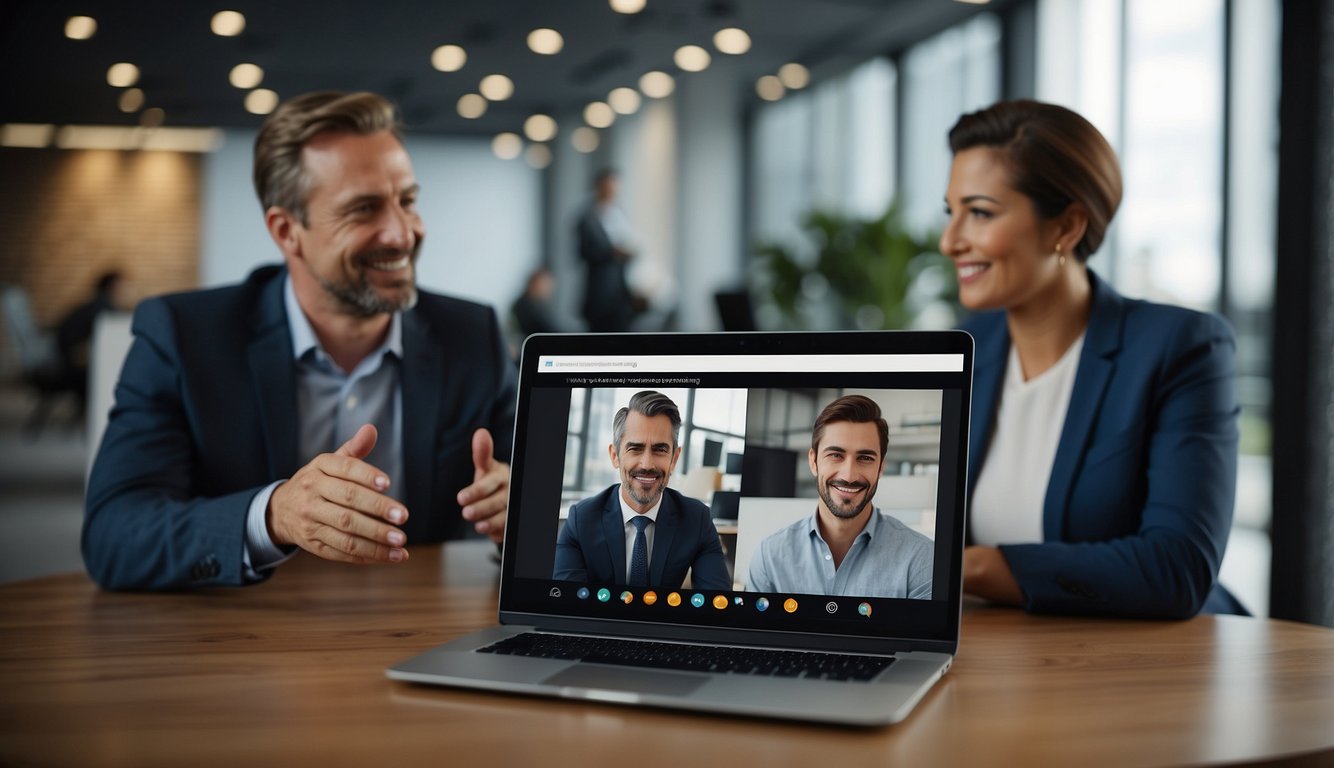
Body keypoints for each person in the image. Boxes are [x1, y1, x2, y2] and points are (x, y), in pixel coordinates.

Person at [83, 91, 517, 591]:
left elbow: (555, 513)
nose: (401, 233)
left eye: (407, 201)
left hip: (421, 634)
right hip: (242, 644)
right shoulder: (184, 338)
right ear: (286, 230)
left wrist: (522, 516)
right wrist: (272, 517)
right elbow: (114, 534)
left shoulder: (471, 336)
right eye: (363, 209)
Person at [941, 99, 1243, 618]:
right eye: (952, 213)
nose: (951, 241)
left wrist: (974, 568)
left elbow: (1178, 566)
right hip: (1005, 661)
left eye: (980, 213)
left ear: (1066, 227)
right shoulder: (967, 347)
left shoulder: (1181, 347)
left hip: (1156, 668)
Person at [747, 395, 934, 599]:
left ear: (880, 467)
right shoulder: (769, 557)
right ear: (813, 461)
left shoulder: (921, 558)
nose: (849, 476)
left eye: (865, 458)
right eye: (835, 455)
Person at [553, 390, 730, 591]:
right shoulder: (581, 519)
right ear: (615, 456)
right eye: (635, 448)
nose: (647, 464)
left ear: (674, 459)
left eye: (660, 449)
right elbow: (565, 605)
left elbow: (718, 603)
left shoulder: (697, 519)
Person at [576, 168, 639, 332]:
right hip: (599, 292)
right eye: (609, 185)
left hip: (620, 292)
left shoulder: (620, 213)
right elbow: (582, 252)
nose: (613, 189)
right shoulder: (587, 217)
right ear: (599, 186)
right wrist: (611, 253)